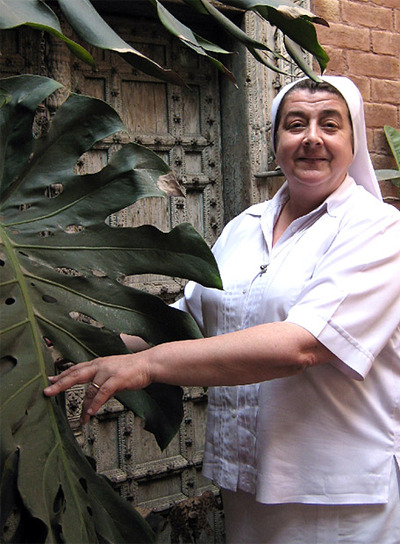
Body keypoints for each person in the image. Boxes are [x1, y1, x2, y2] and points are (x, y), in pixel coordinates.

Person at [44, 76, 400, 544]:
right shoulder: (243, 227)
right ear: (275, 141)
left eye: (330, 125)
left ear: (352, 143)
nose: (312, 137)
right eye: (296, 124)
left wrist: (147, 365)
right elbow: (186, 321)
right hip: (246, 481)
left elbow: (302, 345)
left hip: (336, 496)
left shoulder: (378, 230)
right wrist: (69, 344)